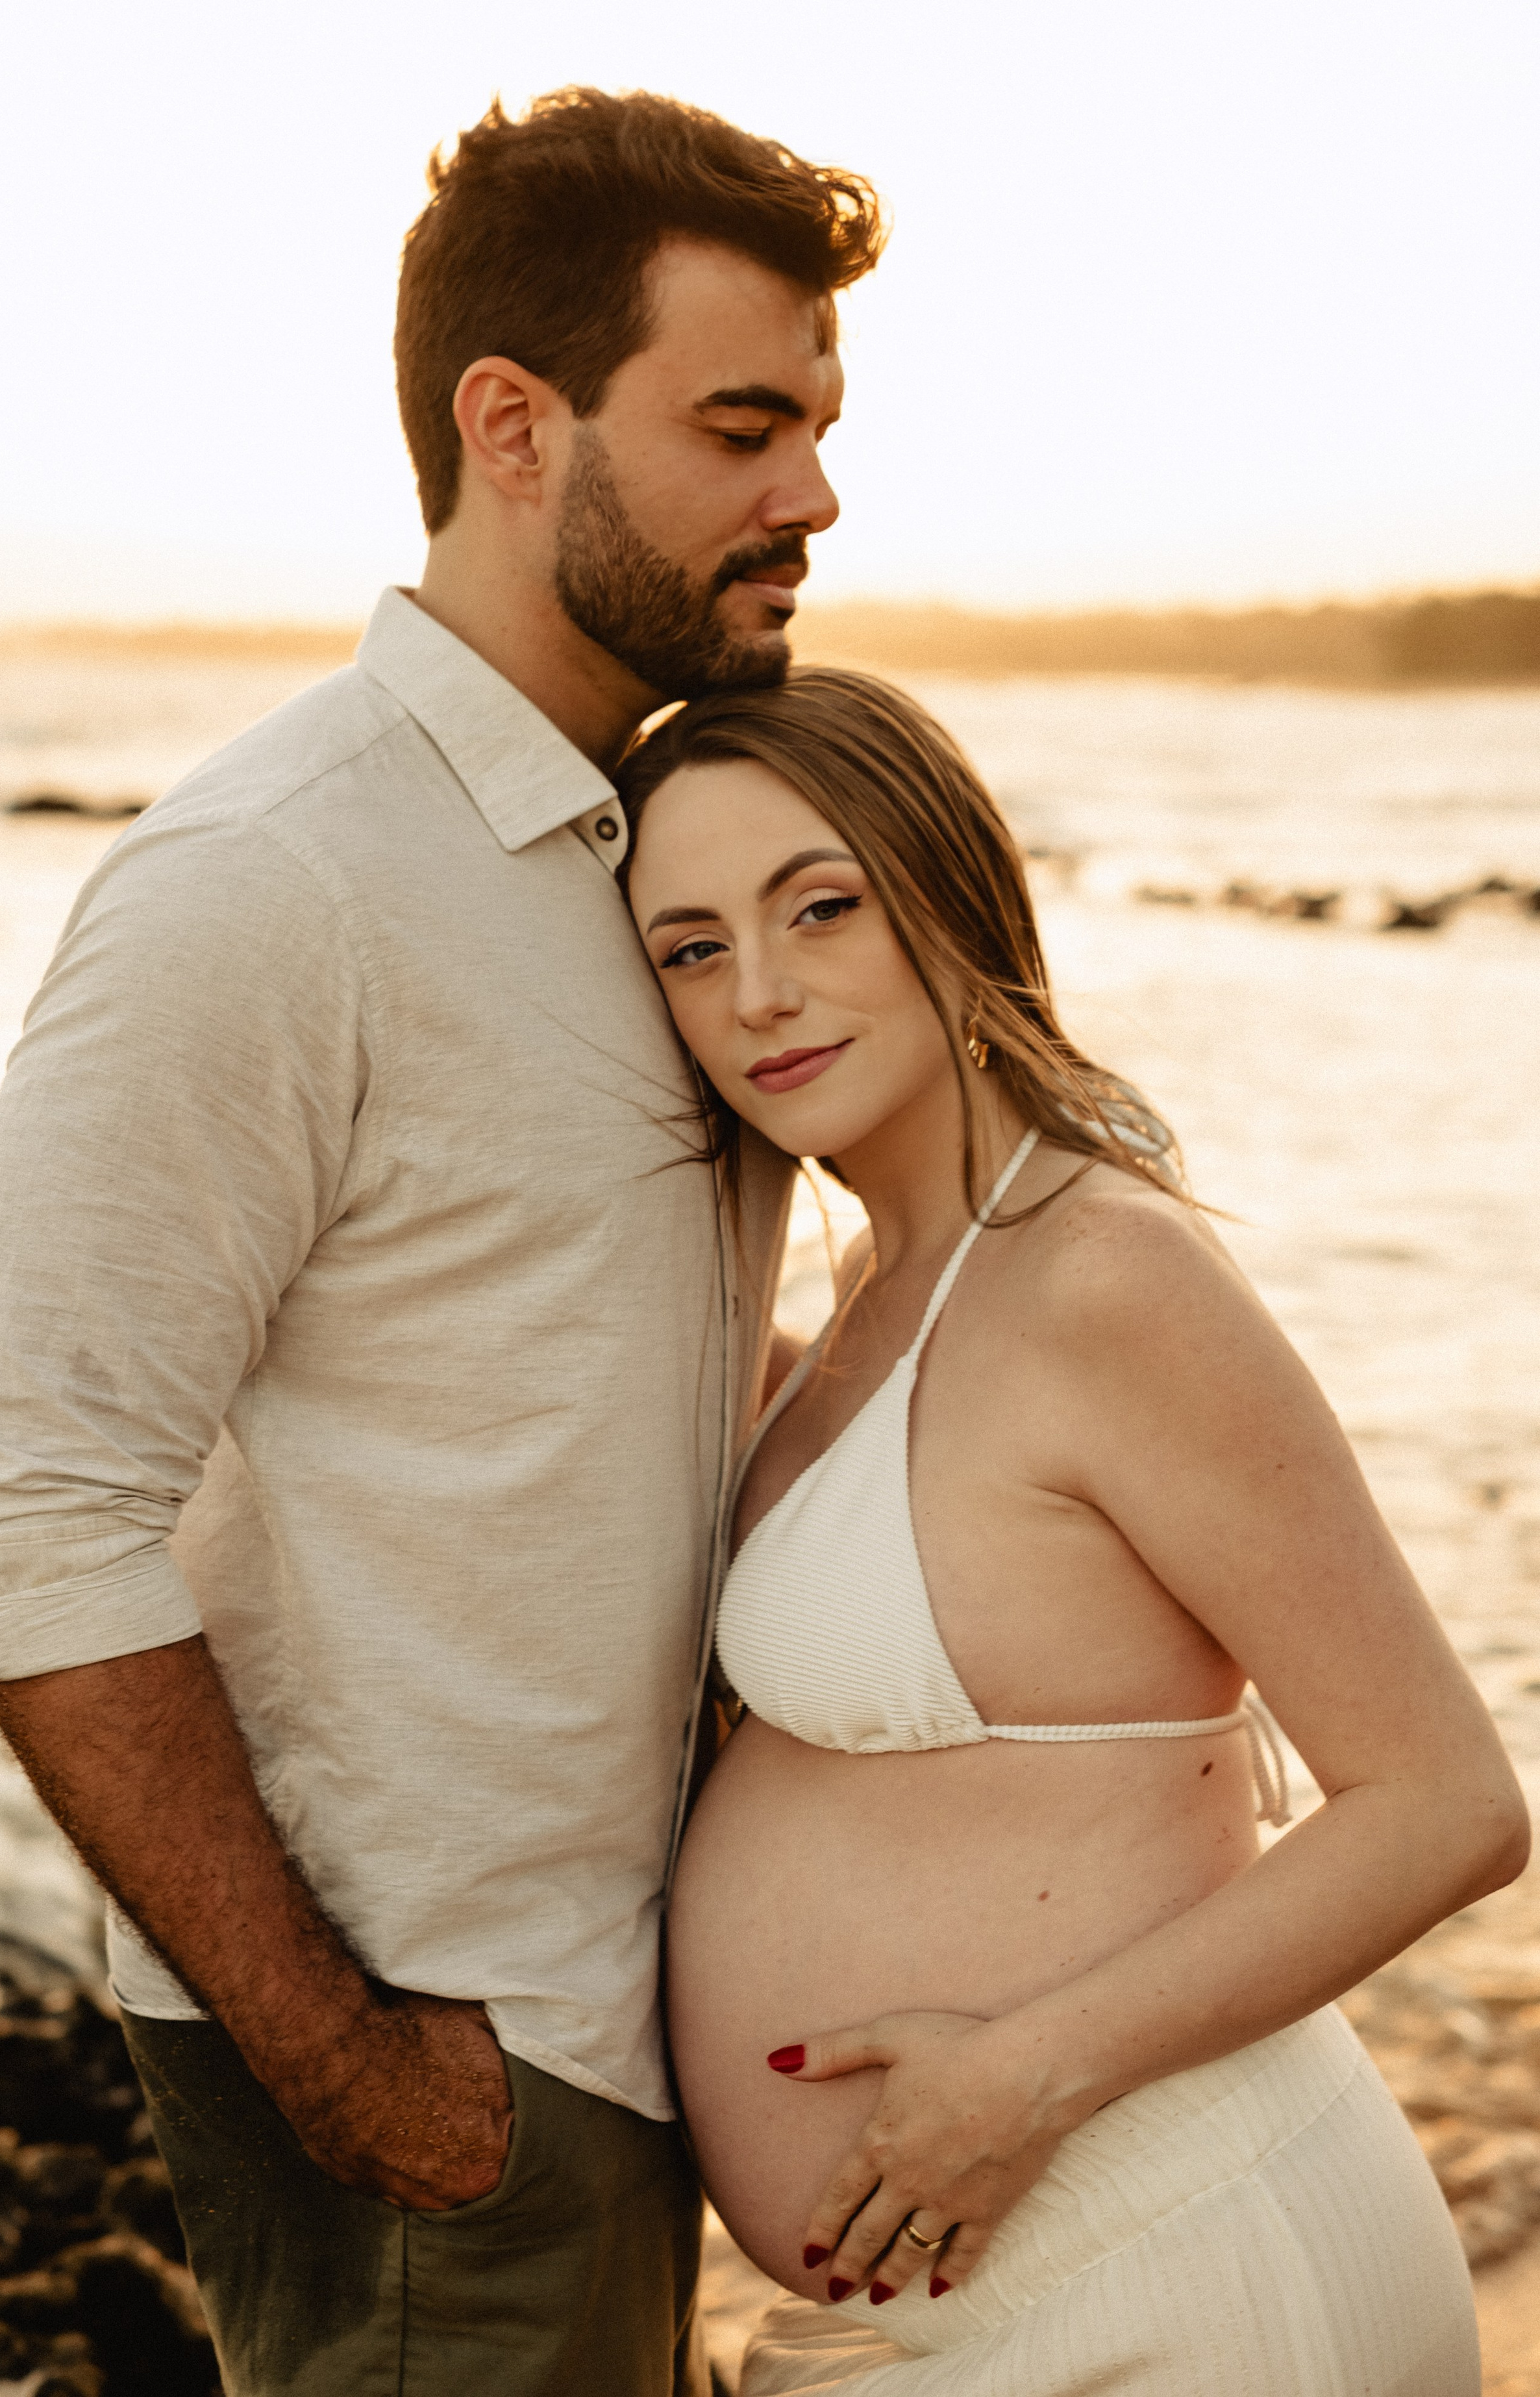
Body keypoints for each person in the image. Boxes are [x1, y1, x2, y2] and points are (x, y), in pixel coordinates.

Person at [0, 92, 882, 2396]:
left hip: (624, 2024)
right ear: (514, 427)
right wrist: (352, 2061)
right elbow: (25, 1505)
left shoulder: (657, 850)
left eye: (826, 427)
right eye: (745, 425)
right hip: (449, 2060)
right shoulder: (275, 881)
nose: (816, 497)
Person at [617, 667, 1524, 2396]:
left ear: (949, 892)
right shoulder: (876, 1290)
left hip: (1180, 2261)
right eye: (690, 946)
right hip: (990, 2301)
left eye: (822, 906)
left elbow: (1450, 1804)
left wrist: (1023, 2075)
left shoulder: (1107, 1280)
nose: (762, 992)